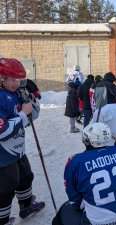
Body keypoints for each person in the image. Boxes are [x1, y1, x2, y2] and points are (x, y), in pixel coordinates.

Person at [52, 122, 116, 225]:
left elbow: (74, 198)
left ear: (86, 140)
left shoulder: (75, 161)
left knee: (62, 215)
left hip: (101, 220)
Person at [0, 58, 45, 225]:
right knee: (6, 187)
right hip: (3, 152)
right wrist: (21, 114)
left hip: (18, 148)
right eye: (13, 80)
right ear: (1, 78)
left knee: (26, 176)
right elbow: (2, 132)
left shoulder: (17, 92)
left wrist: (33, 99)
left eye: (19, 80)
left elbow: (32, 116)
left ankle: (26, 207)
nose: (16, 84)